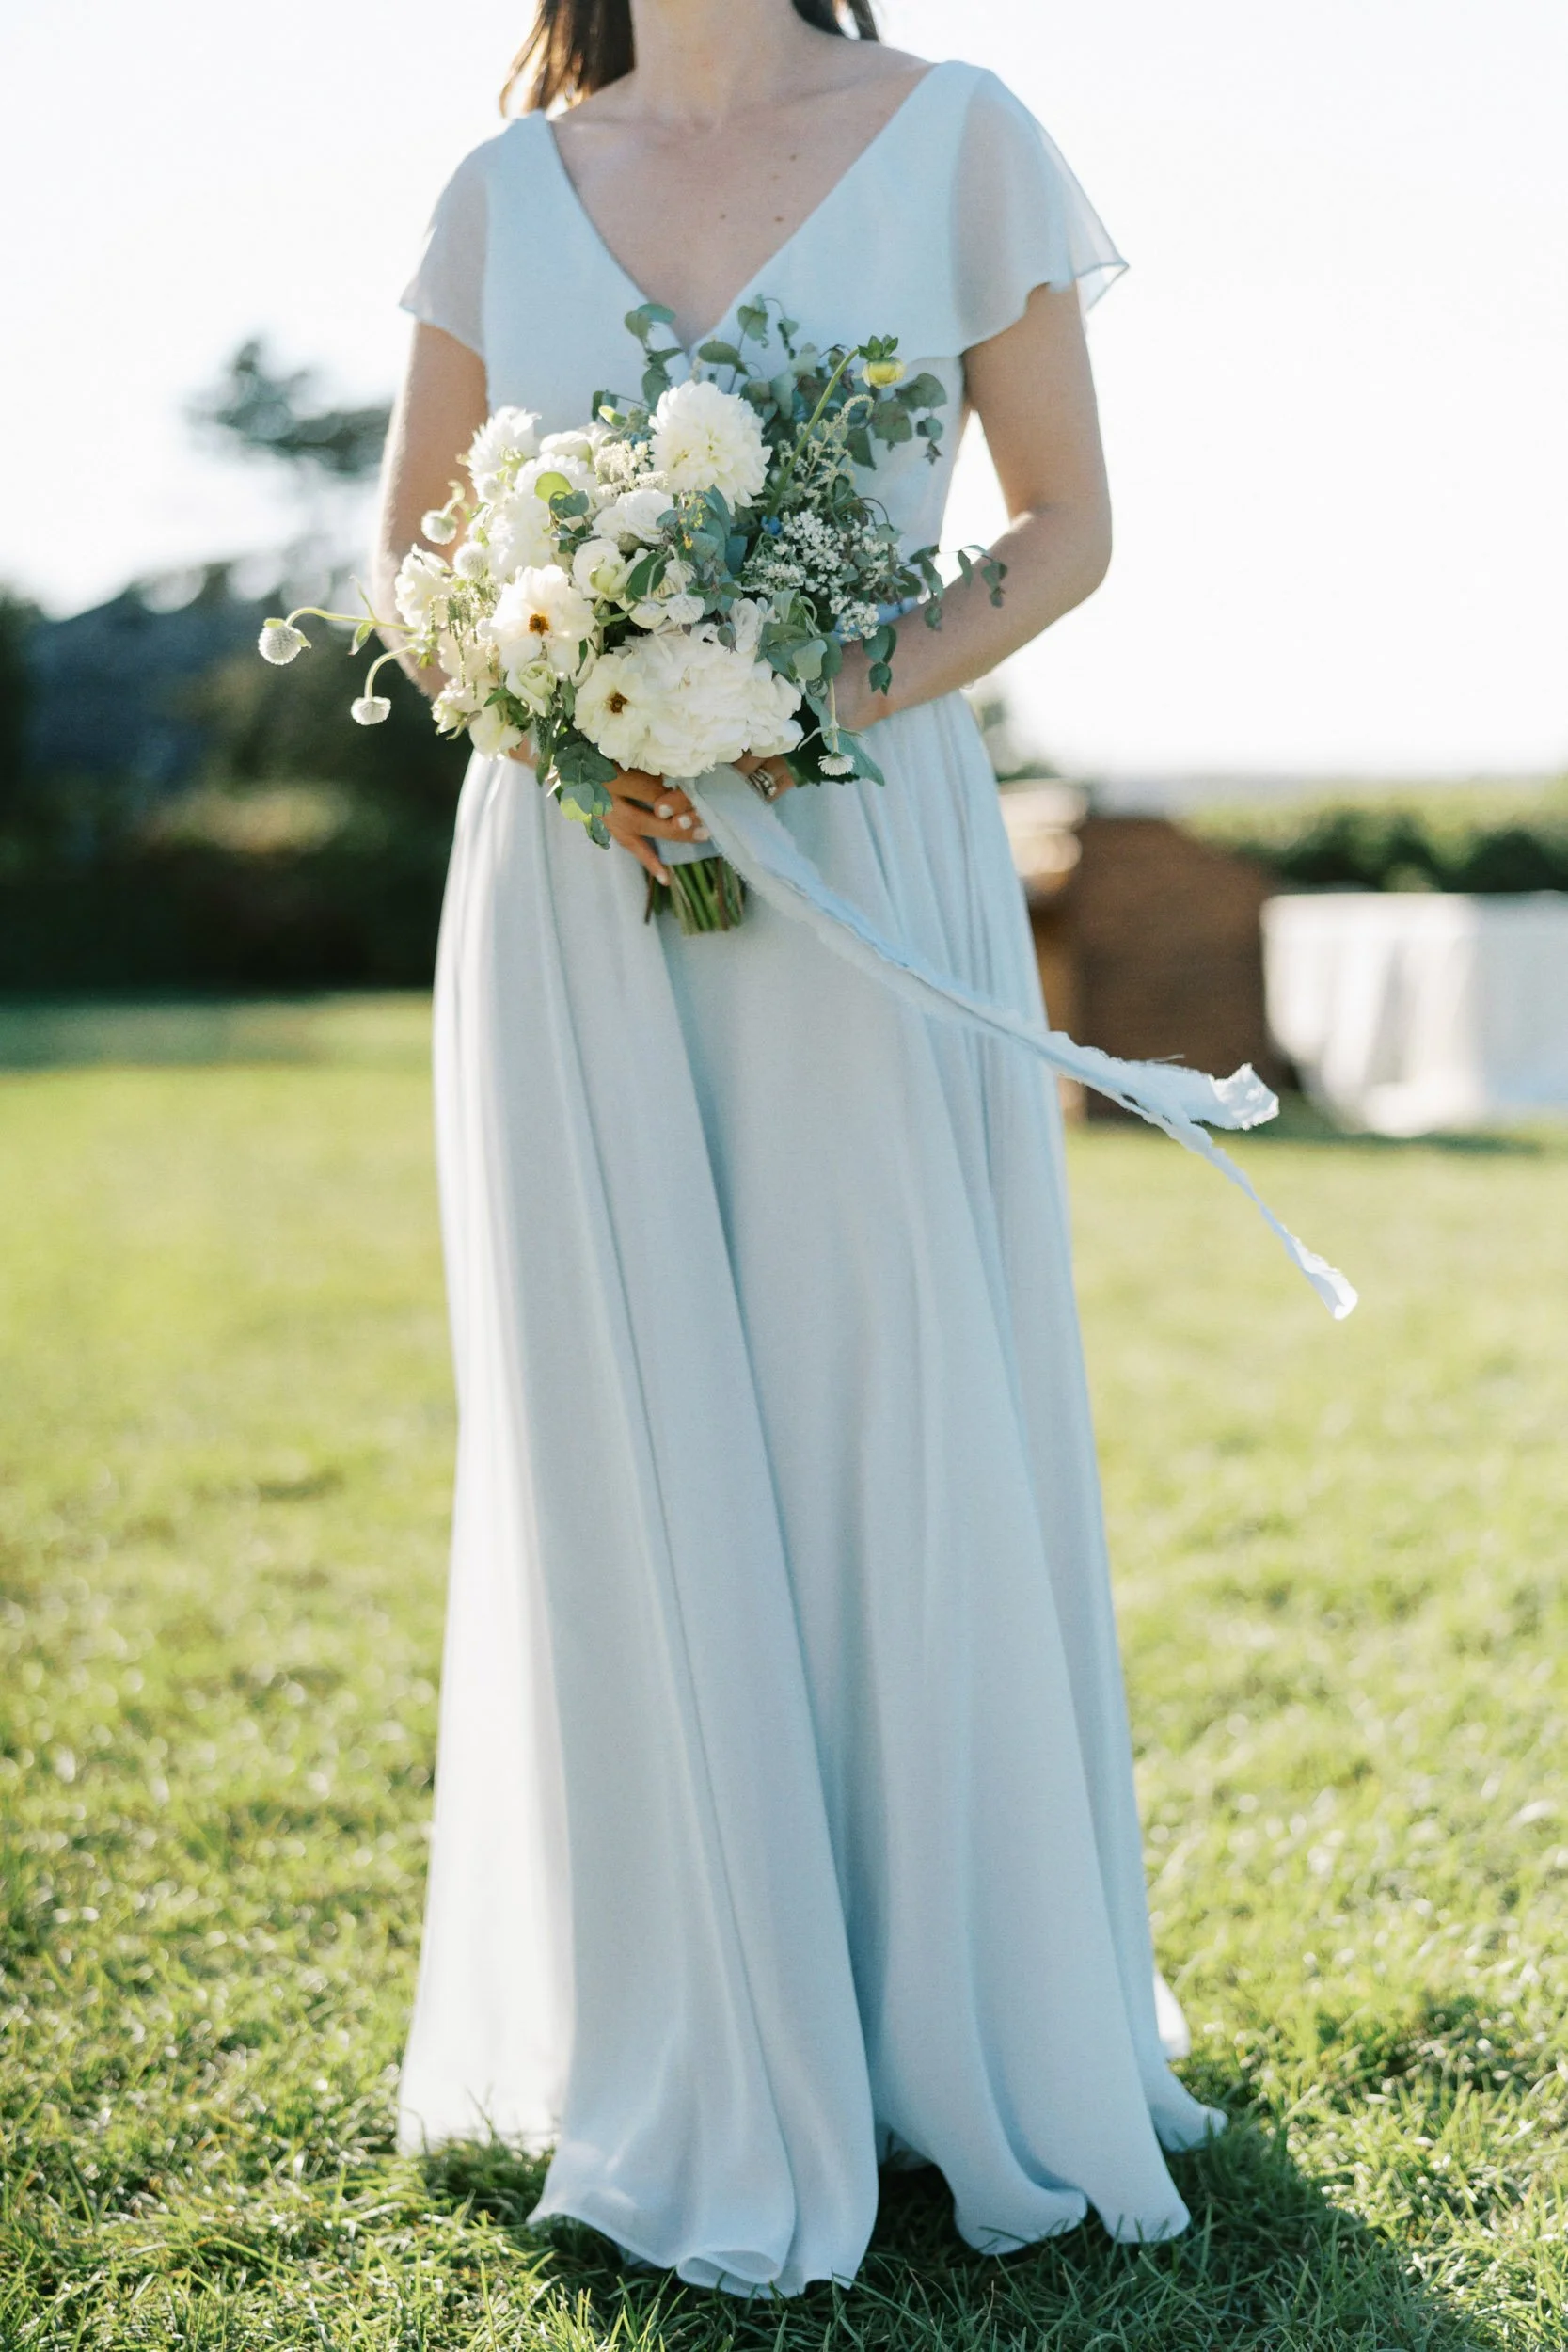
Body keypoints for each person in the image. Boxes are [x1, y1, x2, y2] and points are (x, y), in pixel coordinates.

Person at [375, 0, 1225, 2296]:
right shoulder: (496, 190)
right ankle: (677, 2012)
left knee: (887, 1393)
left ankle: (942, 2017)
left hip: (860, 854)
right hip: (574, 879)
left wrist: (779, 697)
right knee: (624, 1417)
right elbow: (408, 576)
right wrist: (582, 721)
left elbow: (1062, 529)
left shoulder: (958, 138)